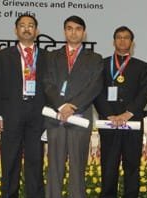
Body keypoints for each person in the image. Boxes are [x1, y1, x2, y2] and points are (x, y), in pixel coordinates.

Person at [43, 15, 103, 198]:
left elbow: (95, 86)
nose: (73, 32)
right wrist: (62, 106)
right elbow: (47, 83)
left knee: (78, 168)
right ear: (64, 31)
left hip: (80, 117)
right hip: (56, 118)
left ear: (84, 33)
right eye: (69, 28)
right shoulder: (52, 56)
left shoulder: (95, 58)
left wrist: (73, 106)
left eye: (78, 29)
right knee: (54, 168)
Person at [0, 14, 47, 198]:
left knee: (35, 160)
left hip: (38, 113)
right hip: (11, 112)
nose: (26, 28)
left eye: (31, 25)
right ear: (16, 30)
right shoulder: (4, 55)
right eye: (22, 25)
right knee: (10, 159)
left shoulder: (47, 56)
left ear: (36, 31)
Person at [93, 26, 147, 198]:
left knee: (132, 166)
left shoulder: (141, 66)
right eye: (119, 37)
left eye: (126, 37)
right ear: (113, 41)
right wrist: (110, 114)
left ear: (132, 43)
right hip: (109, 122)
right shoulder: (102, 64)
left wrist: (127, 114)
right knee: (109, 166)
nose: (122, 40)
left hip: (131, 123)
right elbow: (97, 91)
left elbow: (143, 93)